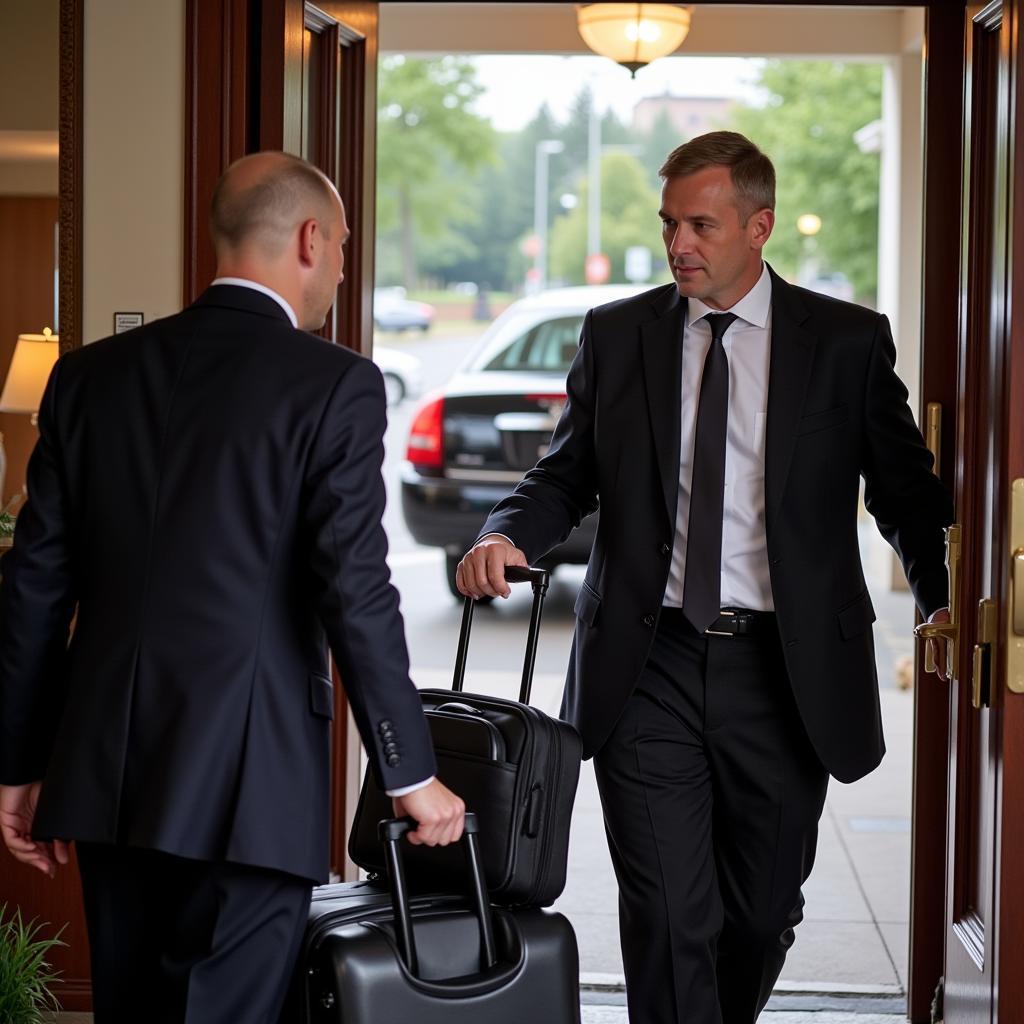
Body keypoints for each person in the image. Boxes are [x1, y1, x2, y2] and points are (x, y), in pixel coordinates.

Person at [458, 131, 953, 1024]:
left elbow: (907, 495)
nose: (678, 245)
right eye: (669, 225)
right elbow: (568, 472)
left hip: (787, 672)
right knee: (666, 912)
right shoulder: (618, 335)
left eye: (701, 225)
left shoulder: (845, 343)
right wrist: (504, 533)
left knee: (760, 915)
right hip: (649, 665)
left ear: (759, 226)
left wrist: (944, 601)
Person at [0, 151, 463, 1023]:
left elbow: (33, 586)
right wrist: (410, 772)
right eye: (340, 248)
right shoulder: (335, 384)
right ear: (308, 238)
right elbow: (355, 588)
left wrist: (19, 763)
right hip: (248, 787)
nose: (337, 269)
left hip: (107, 779)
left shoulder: (90, 375)